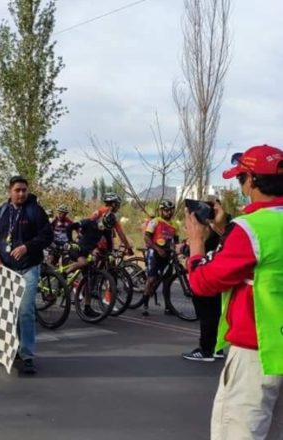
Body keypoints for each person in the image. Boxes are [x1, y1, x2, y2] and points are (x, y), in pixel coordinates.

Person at [186, 144, 283, 440]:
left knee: (236, 432)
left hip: (258, 352)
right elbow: (261, 260)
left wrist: (196, 244)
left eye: (241, 179)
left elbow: (203, 282)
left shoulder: (251, 228)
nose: (241, 186)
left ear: (252, 180)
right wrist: (223, 228)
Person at [0, 175, 53, 375]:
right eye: (17, 190)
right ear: (10, 191)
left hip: (29, 268)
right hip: (7, 270)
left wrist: (27, 247)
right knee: (9, 312)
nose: (22, 193)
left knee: (25, 311)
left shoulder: (35, 211)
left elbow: (46, 236)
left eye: (24, 190)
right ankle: (10, 349)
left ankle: (27, 356)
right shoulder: (2, 211)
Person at [182, 197, 227, 362]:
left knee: (207, 315)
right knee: (216, 314)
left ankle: (205, 350)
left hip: (205, 276)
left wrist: (189, 245)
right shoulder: (224, 231)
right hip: (217, 278)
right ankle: (217, 348)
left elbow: (197, 250)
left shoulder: (205, 231)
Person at [64, 211, 117, 317]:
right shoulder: (88, 222)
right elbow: (70, 227)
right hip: (76, 248)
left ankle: (87, 307)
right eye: (103, 225)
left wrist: (110, 254)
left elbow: (110, 244)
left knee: (88, 279)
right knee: (83, 262)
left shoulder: (106, 230)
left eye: (106, 228)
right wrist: (70, 241)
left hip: (87, 251)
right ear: (102, 219)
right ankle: (64, 274)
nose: (103, 229)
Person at [141, 199, 179, 317]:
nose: (169, 213)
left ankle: (168, 307)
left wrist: (177, 251)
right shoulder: (155, 221)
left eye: (170, 211)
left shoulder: (174, 225)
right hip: (154, 252)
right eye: (166, 210)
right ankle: (145, 304)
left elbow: (175, 242)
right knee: (151, 280)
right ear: (161, 211)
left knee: (167, 281)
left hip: (167, 254)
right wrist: (158, 249)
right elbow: (147, 238)